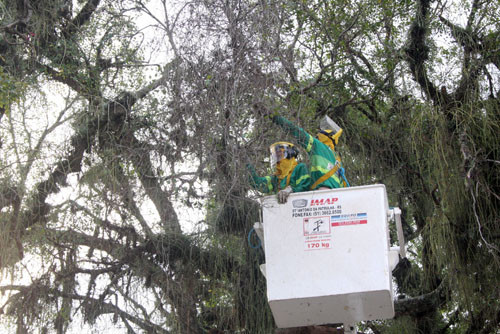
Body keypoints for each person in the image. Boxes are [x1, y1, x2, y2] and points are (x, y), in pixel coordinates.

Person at [271, 115, 349, 190]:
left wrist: (277, 119)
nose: (317, 135)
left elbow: (297, 132)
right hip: (337, 198)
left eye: (318, 134)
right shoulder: (337, 159)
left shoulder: (317, 146)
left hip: (322, 193)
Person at [247, 141, 312, 203]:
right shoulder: (276, 177)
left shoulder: (300, 168)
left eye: (280, 151)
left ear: (289, 153)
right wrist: (247, 165)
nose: (277, 154)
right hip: (282, 210)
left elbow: (305, 187)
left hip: (298, 208)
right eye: (275, 153)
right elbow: (259, 184)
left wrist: (290, 190)